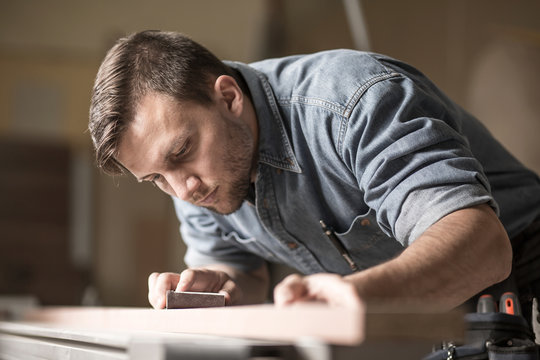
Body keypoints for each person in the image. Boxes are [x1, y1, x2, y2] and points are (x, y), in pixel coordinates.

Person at [88, 30, 540, 327]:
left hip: (524, 265)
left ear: (227, 97)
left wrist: (358, 300)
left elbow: (483, 246)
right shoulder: (189, 173)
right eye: (155, 179)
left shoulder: (354, 102)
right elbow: (243, 276)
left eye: (183, 153)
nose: (184, 190)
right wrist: (217, 286)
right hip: (416, 309)